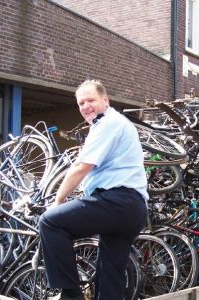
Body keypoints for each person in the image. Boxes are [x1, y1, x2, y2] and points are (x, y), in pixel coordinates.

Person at [39, 80, 148, 300]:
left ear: (105, 100)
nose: (86, 106)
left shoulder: (108, 123)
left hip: (117, 201)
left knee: (50, 222)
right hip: (133, 208)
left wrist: (59, 200)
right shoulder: (116, 123)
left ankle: (70, 296)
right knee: (110, 270)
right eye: (81, 103)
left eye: (91, 100)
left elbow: (81, 166)